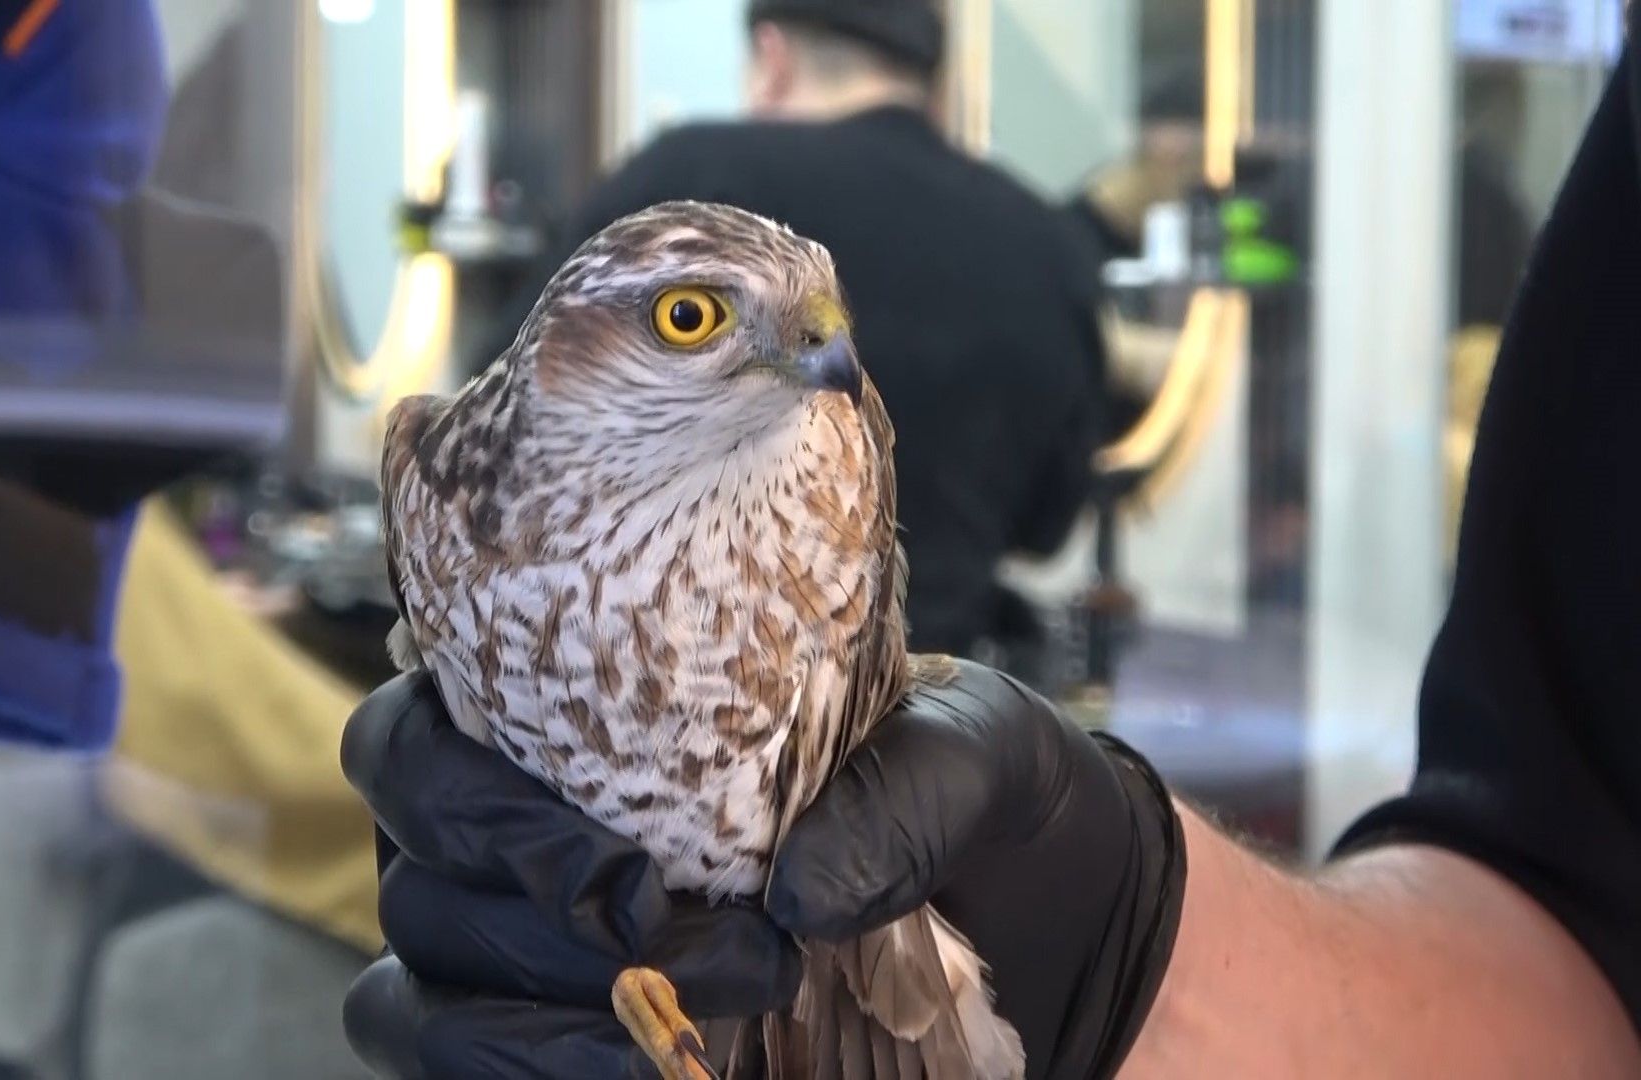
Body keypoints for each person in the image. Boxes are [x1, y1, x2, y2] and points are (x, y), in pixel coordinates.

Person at [339, 23, 1641, 1080]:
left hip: (871, 784)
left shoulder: (667, 182)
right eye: (694, 320)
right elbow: (1573, 915)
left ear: (774, 53)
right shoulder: (1032, 238)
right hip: (902, 763)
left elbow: (499, 409)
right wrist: (1135, 934)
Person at [478, 0, 1107, 666]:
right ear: (931, 81)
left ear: (772, 60)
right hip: (940, 722)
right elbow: (1049, 524)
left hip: (671, 704)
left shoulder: (687, 186)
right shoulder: (1047, 245)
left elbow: (500, 423)